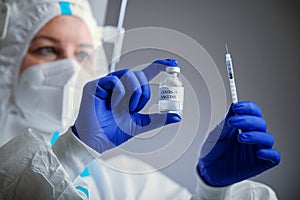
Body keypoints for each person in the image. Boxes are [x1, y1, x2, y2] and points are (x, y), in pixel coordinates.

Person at [0, 0, 280, 199]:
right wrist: (72, 152)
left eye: (84, 53)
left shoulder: (127, 182)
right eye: (48, 49)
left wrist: (213, 191)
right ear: (8, 64)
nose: (72, 68)